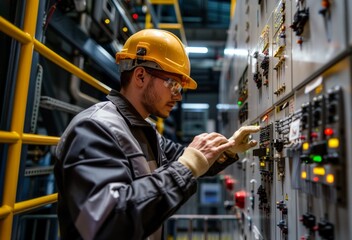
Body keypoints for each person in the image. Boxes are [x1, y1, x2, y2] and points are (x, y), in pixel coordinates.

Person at [54, 29, 260, 240]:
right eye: (174, 84)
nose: (178, 96)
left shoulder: (142, 131)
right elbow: (107, 222)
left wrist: (228, 149)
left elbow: (187, 156)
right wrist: (187, 167)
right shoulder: (94, 128)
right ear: (141, 76)